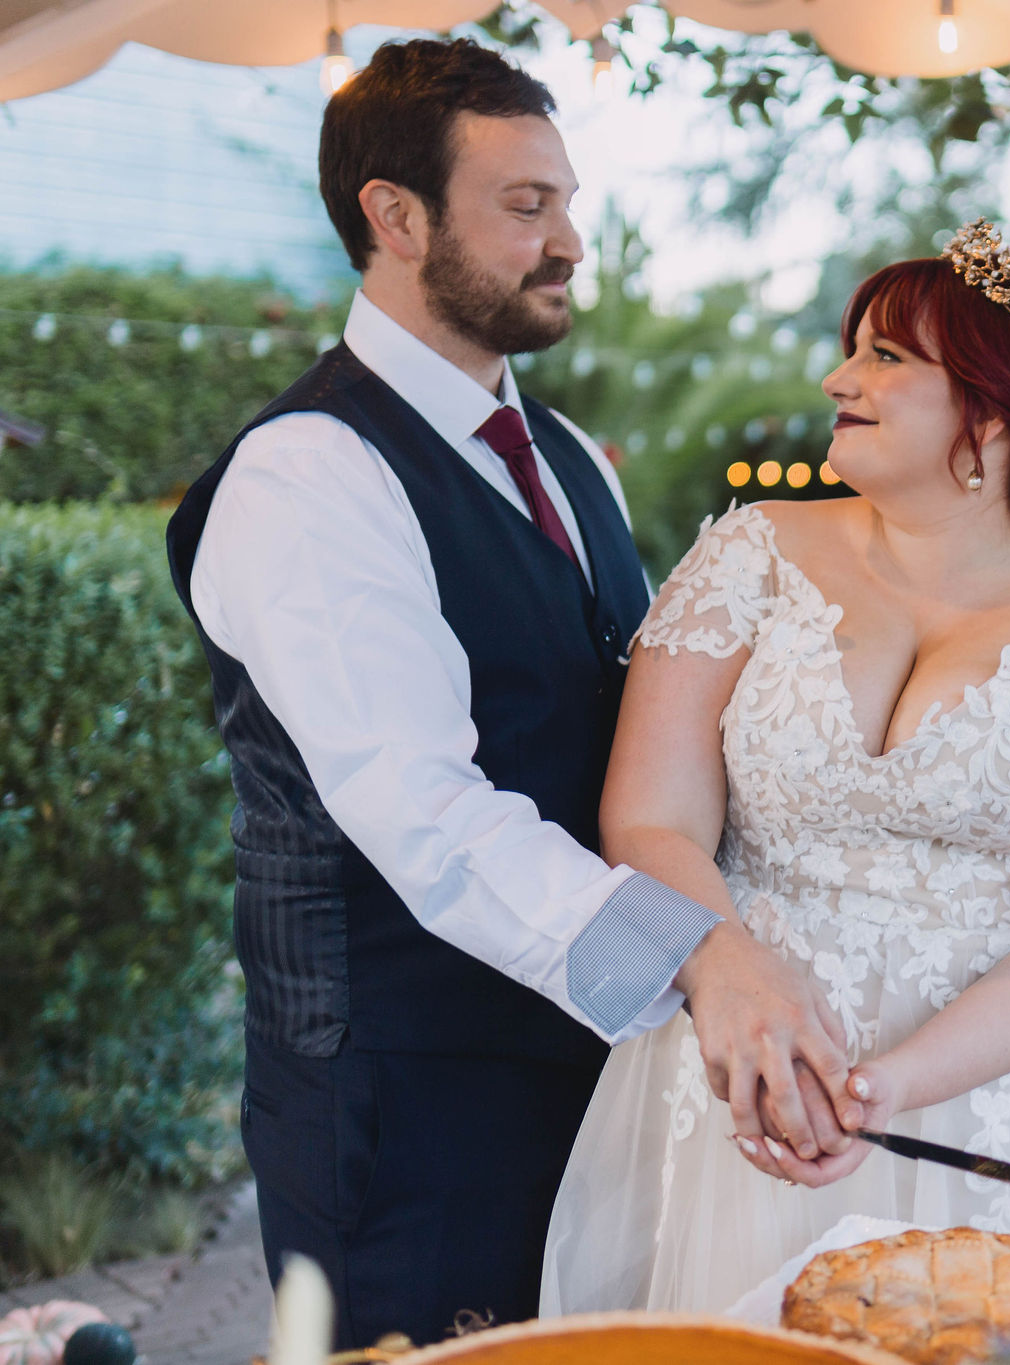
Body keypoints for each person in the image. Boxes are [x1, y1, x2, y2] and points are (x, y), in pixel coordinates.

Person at [162, 39, 853, 1349]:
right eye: (527, 207)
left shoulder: (570, 456)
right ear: (395, 216)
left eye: (569, 203)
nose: (571, 242)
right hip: (405, 1106)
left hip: (592, 1078)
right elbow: (429, 815)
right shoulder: (307, 477)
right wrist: (701, 952)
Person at [540, 220, 1010, 1315]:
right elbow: (652, 819)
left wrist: (883, 1087)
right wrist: (734, 981)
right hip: (742, 1075)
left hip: (999, 1096)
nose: (836, 376)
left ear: (991, 406)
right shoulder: (747, 554)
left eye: (884, 358)